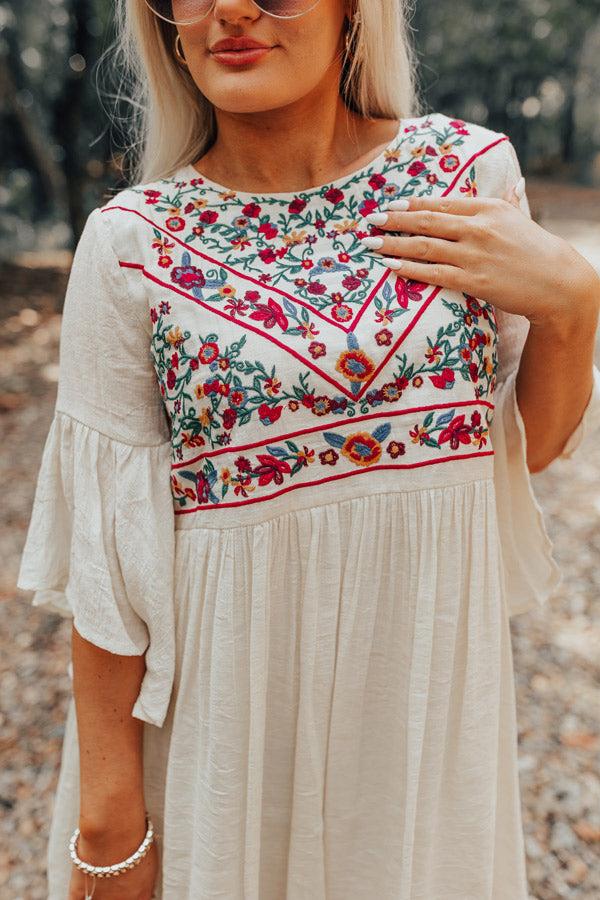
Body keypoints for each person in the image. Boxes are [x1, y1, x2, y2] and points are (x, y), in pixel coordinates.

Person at [16, 1, 600, 898]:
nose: (231, 10)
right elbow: (108, 560)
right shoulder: (131, 242)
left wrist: (574, 304)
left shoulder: (467, 174)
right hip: (221, 744)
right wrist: (108, 824)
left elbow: (527, 446)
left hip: (417, 721)